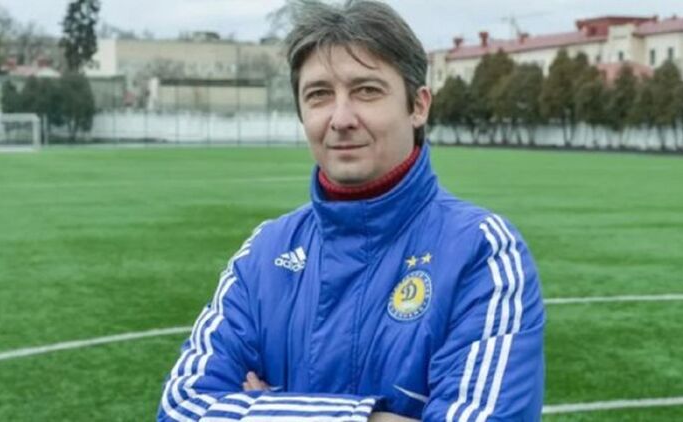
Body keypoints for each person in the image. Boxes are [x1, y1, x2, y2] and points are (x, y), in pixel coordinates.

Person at [157, 1, 544, 421]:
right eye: (319, 95)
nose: (341, 118)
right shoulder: (265, 253)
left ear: (418, 106)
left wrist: (267, 409)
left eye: (367, 90)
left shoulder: (481, 251)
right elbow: (181, 409)